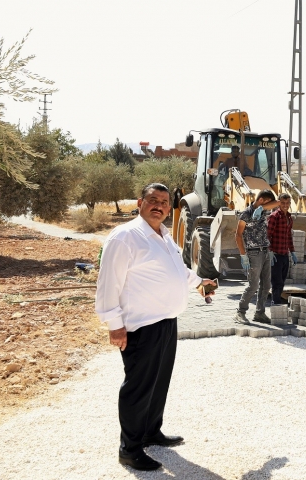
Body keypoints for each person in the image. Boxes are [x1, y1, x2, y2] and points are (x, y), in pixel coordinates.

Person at [95, 183, 217, 471]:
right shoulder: (125, 237)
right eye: (153, 200)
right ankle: (130, 449)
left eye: (164, 201)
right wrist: (114, 325)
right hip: (141, 327)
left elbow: (178, 271)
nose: (159, 206)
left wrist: (200, 283)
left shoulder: (163, 235)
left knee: (158, 383)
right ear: (140, 202)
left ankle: (151, 432)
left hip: (165, 323)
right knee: (138, 388)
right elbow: (108, 283)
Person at [234, 189, 279, 323]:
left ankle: (259, 313)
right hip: (253, 253)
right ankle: (240, 312)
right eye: (266, 203)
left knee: (266, 285)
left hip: (265, 251)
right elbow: (238, 235)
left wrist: (262, 207)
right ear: (260, 200)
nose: (269, 206)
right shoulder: (246, 214)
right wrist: (243, 255)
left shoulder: (263, 210)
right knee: (253, 285)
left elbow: (277, 203)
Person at [267, 193, 298, 305]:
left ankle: (277, 301)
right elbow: (267, 235)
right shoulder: (274, 217)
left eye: (287, 203)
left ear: (290, 203)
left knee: (282, 281)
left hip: (285, 254)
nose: (285, 205)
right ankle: (276, 303)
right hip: (275, 256)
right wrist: (270, 251)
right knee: (277, 282)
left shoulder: (289, 218)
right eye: (283, 203)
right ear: (279, 203)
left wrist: (293, 252)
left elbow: (288, 236)